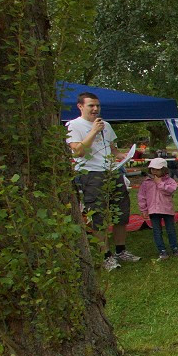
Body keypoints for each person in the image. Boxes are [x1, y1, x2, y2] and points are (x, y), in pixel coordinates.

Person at [66, 92, 139, 269]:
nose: (95, 109)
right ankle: (106, 255)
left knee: (121, 212)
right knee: (98, 215)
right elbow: (78, 152)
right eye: (91, 105)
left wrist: (121, 155)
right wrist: (92, 131)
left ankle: (121, 250)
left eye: (97, 105)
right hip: (91, 174)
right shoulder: (73, 125)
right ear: (80, 106)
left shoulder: (105, 125)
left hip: (111, 171)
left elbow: (112, 148)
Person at [136, 157, 178, 260]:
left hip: (167, 209)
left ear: (164, 169)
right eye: (152, 169)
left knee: (170, 230)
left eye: (157, 169)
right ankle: (162, 250)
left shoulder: (170, 181)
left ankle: (175, 247)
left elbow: (170, 190)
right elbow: (141, 196)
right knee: (157, 231)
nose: (154, 171)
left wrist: (160, 183)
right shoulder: (146, 183)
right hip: (153, 210)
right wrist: (143, 209)